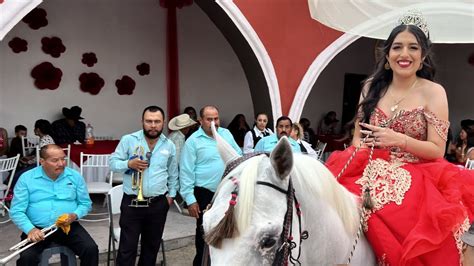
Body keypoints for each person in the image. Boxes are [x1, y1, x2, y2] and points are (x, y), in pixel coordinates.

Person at [325, 11, 474, 265]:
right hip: (367, 166)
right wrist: (367, 162)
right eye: (397, 47)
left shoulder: (434, 92)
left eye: (413, 47)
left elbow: (437, 150)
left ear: (423, 56)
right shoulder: (371, 87)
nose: (404, 54)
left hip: (419, 173)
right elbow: (358, 140)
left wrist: (399, 140)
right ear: (387, 54)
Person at [109, 105, 178, 266]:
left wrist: (171, 195)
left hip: (158, 203)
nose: (153, 125)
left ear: (163, 122)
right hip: (132, 202)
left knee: (151, 249)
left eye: (157, 121)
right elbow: (112, 163)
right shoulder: (129, 140)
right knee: (127, 249)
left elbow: (174, 174)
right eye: (149, 121)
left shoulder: (169, 145)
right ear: (142, 121)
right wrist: (129, 163)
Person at [9, 144, 98, 266]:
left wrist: (75, 215)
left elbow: (85, 203)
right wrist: (31, 229)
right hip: (38, 229)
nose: (61, 164)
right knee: (27, 258)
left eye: (63, 159)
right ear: (42, 161)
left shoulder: (75, 176)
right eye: (55, 160)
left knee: (91, 249)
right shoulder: (26, 178)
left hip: (68, 226)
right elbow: (16, 210)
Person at [179, 105, 242, 266]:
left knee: (228, 231)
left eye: (216, 118)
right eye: (209, 119)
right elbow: (186, 172)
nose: (213, 122)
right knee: (204, 234)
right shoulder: (193, 141)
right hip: (204, 193)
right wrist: (190, 199)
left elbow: (238, 156)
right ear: (201, 121)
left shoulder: (226, 134)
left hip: (227, 190)